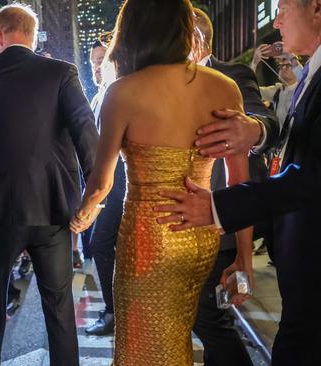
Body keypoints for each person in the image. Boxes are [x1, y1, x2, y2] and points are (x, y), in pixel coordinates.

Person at [156, 0, 321, 365]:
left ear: (317, 7)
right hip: (316, 259)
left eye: (283, 8)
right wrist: (258, 132)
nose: (277, 21)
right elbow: (300, 138)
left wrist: (218, 207)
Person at [69, 1, 252, 364]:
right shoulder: (224, 87)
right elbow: (239, 180)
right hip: (201, 238)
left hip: (147, 240)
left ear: (132, 31)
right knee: (177, 333)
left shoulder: (122, 92)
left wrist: (81, 217)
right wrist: (244, 257)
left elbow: (101, 182)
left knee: (143, 346)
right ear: (185, 28)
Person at [0, 4, 98, 366]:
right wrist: (92, 197)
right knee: (58, 307)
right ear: (34, 33)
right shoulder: (61, 73)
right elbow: (88, 136)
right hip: (52, 211)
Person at [189, 8, 280, 366]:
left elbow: (261, 117)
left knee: (209, 316)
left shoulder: (233, 75)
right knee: (210, 320)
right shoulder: (165, 83)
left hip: (223, 216)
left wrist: (251, 128)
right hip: (184, 221)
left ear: (197, 39)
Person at [83, 35, 123, 337]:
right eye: (93, 62)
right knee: (105, 245)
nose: (97, 67)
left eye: (101, 61)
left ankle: (114, 311)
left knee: (100, 243)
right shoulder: (97, 96)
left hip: (120, 178)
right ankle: (117, 309)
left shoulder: (118, 92)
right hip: (105, 178)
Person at [252, 45, 303, 129]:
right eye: (280, 66)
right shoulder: (277, 90)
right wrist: (254, 62)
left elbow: (304, 76)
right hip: (282, 140)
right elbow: (252, 90)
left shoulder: (302, 86)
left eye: (287, 65)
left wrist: (291, 57)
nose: (283, 68)